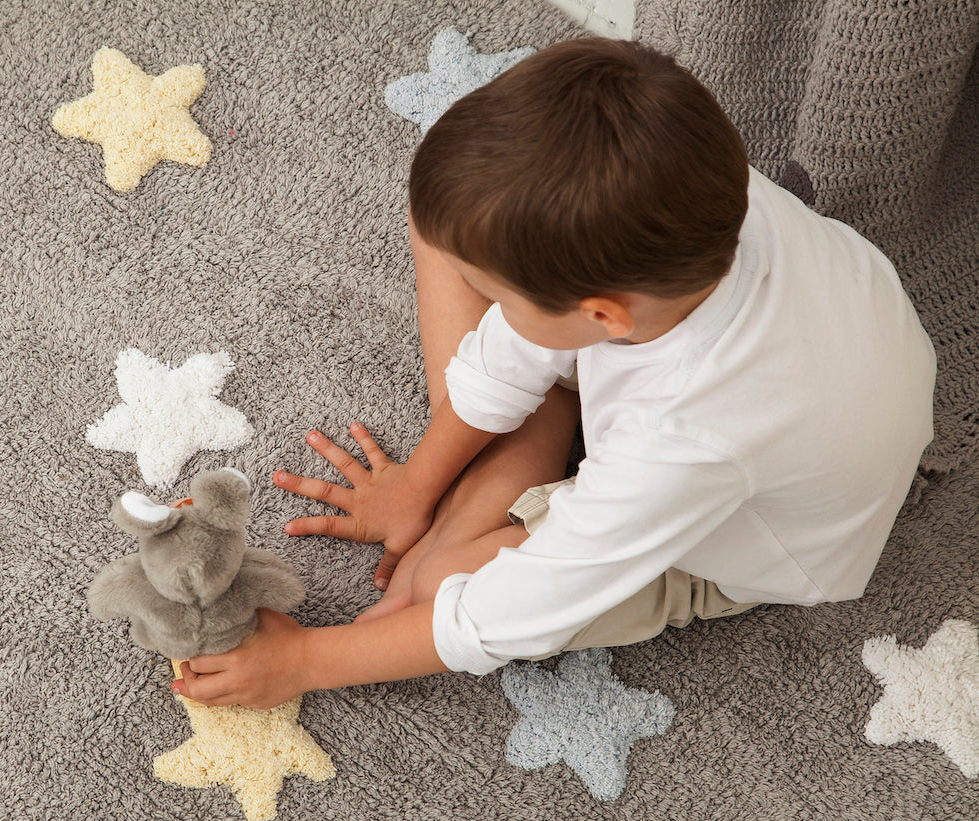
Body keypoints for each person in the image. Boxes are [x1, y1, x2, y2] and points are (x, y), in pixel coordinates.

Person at [173, 37, 936, 710]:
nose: (493, 307)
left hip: (724, 540)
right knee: (450, 225)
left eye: (506, 301)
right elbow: (515, 327)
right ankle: (523, 435)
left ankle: (527, 444)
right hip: (745, 378)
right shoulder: (705, 191)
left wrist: (304, 662)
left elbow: (515, 614)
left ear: (603, 317)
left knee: (440, 586)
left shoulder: (685, 439)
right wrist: (418, 484)